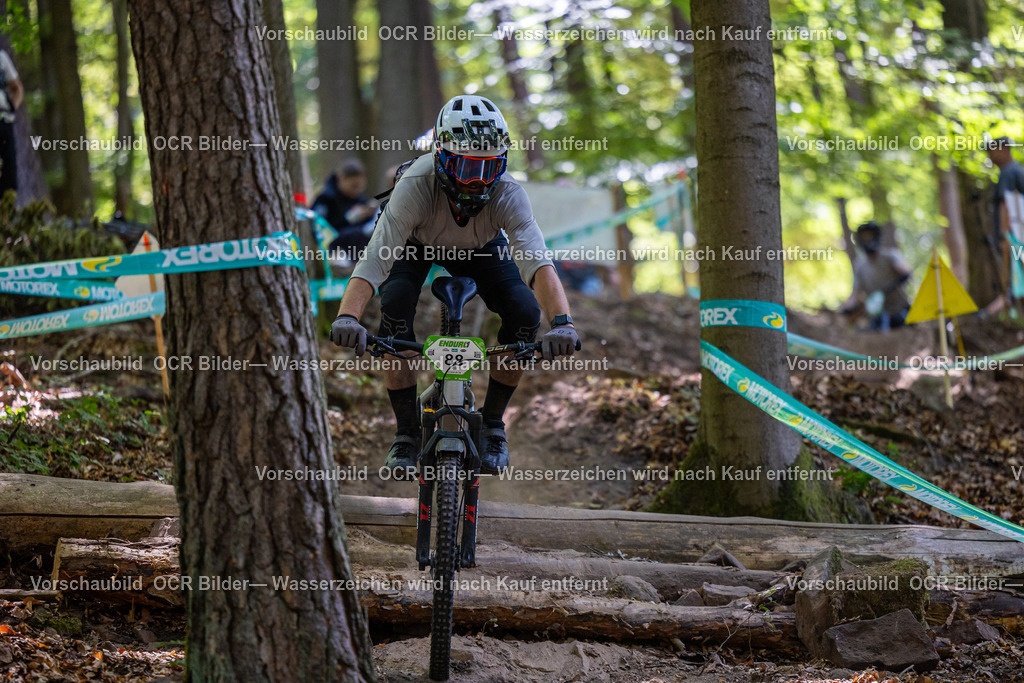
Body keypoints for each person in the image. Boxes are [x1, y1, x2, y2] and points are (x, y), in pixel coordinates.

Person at [330, 94, 579, 474]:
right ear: (443, 157)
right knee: (395, 310)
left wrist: (562, 323)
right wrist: (348, 317)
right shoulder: (415, 184)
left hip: (482, 248)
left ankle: (494, 426)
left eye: (488, 167)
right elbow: (376, 258)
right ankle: (406, 435)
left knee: (525, 314)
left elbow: (538, 263)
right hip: (416, 244)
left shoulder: (508, 193)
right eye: (466, 167)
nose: (478, 181)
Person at [841, 221, 912, 331]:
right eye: (864, 238)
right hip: (878, 316)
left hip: (900, 310)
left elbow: (905, 271)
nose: (868, 240)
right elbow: (855, 293)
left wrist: (892, 285)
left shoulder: (890, 256)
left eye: (870, 236)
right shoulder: (860, 265)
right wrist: (847, 309)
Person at [983, 136, 1024, 314]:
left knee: (1019, 281)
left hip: (1016, 238)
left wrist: (1004, 237)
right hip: (1018, 237)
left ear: (1004, 149)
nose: (989, 155)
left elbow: (1006, 206)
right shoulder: (1017, 171)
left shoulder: (1009, 172)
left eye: (992, 150)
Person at [311, 158, 377, 261]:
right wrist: (349, 218)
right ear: (341, 178)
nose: (357, 190)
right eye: (354, 186)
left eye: (360, 186)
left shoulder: (359, 198)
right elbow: (319, 229)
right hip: (333, 251)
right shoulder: (326, 199)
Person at [0, 48, 24, 197]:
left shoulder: (1, 57)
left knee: (9, 174)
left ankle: (5, 215)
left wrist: (12, 106)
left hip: (3, 121)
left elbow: (17, 87)